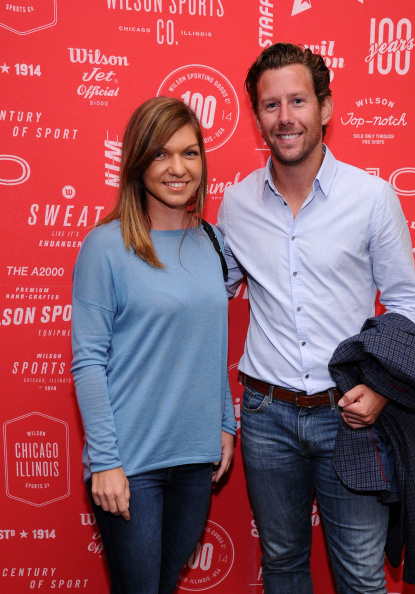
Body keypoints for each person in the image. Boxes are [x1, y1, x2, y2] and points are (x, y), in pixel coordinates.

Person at [217, 43, 415, 593]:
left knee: (363, 576)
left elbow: (408, 303)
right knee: (283, 565)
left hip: (350, 414)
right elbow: (209, 291)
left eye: (298, 101)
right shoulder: (235, 205)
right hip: (266, 417)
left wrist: (380, 388)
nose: (285, 117)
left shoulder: (371, 198)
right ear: (257, 118)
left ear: (326, 107)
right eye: (271, 105)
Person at [71, 96, 236, 594]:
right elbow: (88, 362)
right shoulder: (105, 246)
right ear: (137, 161)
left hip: (195, 458)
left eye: (190, 153)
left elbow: (211, 342)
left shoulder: (212, 242)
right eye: (162, 154)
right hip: (131, 464)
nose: (177, 168)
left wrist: (226, 424)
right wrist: (105, 462)